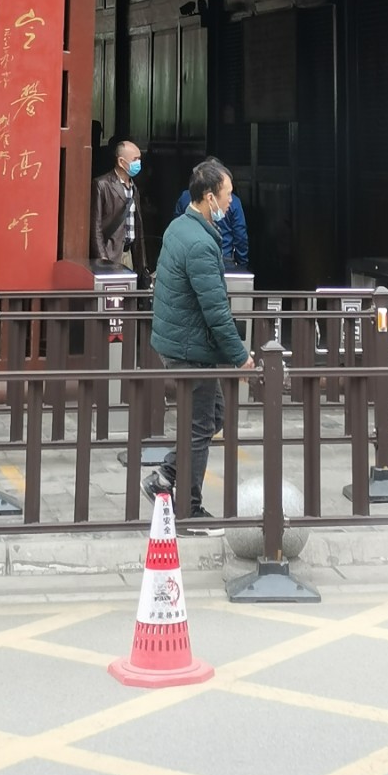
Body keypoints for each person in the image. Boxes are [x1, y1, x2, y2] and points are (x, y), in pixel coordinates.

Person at [145, 157, 254, 518]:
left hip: (180, 341)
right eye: (227, 195)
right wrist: (240, 357)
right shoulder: (201, 245)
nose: (230, 202)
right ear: (209, 197)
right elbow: (216, 311)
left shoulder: (179, 227)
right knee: (201, 424)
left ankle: (166, 475)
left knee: (213, 415)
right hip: (191, 348)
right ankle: (189, 507)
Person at [91, 138, 146, 277]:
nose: (138, 163)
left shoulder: (134, 188)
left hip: (129, 253)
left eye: (139, 159)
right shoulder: (102, 185)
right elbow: (96, 227)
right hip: (111, 254)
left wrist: (142, 263)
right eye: (135, 159)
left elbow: (138, 227)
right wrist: (102, 258)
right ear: (121, 161)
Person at [175, 182, 249, 270]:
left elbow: (178, 229)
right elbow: (240, 237)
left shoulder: (185, 197)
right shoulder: (234, 202)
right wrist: (242, 265)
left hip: (188, 258)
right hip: (224, 259)